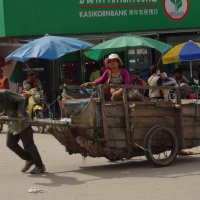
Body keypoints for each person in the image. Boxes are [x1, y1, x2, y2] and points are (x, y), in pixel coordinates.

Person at [0, 89, 46, 174]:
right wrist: (3, 114)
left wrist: (20, 112)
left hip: (23, 121)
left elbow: (21, 99)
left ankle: (40, 166)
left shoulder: (5, 94)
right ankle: (30, 159)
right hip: (13, 123)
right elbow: (6, 106)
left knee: (29, 145)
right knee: (10, 143)